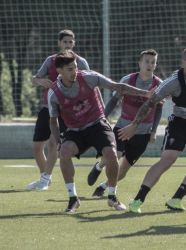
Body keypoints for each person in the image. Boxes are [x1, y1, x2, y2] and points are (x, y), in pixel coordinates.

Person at [47, 50, 156, 212]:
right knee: (64, 151)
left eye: (75, 68)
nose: (74, 72)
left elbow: (117, 86)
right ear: (59, 71)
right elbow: (53, 120)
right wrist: (57, 141)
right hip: (76, 130)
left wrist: (145, 93)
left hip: (97, 124)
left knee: (112, 153)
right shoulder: (53, 93)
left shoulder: (89, 77)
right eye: (70, 69)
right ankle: (73, 198)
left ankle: (112, 196)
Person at [118, 47, 186, 213]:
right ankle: (137, 200)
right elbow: (150, 103)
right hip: (179, 123)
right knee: (168, 159)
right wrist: (134, 125)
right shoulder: (173, 82)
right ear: (184, 63)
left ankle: (176, 199)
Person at [87, 49, 163, 197]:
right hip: (123, 127)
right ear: (140, 63)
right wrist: (104, 117)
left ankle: (103, 186)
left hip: (143, 133)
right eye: (147, 61)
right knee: (114, 157)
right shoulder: (128, 80)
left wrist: (153, 131)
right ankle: (99, 166)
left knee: (123, 171)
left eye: (153, 62)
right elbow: (114, 100)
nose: (150, 64)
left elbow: (159, 109)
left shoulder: (159, 84)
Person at [27, 30, 96, 190]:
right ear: (59, 43)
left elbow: (90, 84)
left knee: (53, 143)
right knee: (37, 147)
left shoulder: (81, 62)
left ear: (74, 43)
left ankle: (44, 180)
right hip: (47, 108)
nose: (68, 45)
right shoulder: (50, 61)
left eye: (70, 42)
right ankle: (45, 177)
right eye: (65, 42)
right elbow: (34, 79)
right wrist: (40, 81)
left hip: (66, 111)